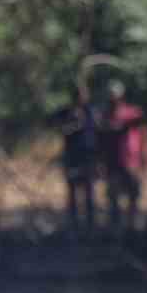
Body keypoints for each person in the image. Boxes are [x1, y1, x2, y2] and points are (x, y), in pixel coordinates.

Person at [102, 79, 147, 236]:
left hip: (131, 162)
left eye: (115, 97)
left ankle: (134, 229)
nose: (113, 100)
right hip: (112, 163)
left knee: (133, 196)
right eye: (110, 97)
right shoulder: (105, 116)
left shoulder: (133, 113)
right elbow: (101, 141)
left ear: (121, 97)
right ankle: (115, 231)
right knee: (113, 198)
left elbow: (145, 136)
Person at [54, 82, 100, 235]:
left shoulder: (92, 112)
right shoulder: (66, 112)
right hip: (72, 159)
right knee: (72, 193)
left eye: (84, 94)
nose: (82, 97)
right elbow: (60, 128)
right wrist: (73, 124)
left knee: (89, 194)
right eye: (79, 94)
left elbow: (98, 133)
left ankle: (91, 228)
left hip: (89, 158)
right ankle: (74, 229)